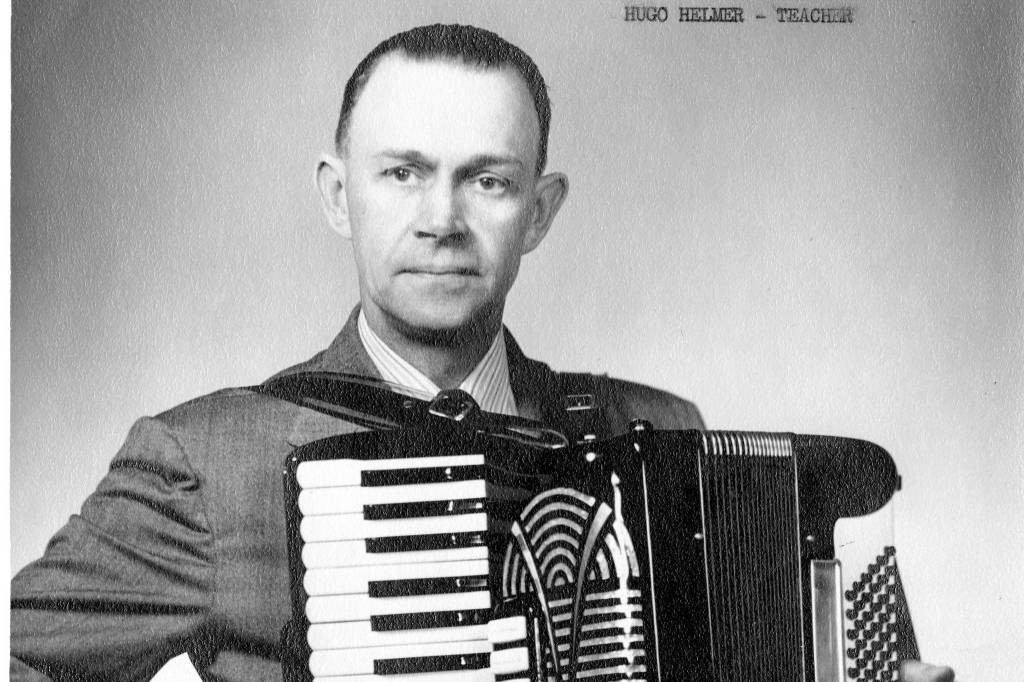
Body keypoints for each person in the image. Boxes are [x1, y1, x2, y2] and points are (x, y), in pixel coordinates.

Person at [11, 24, 953, 682]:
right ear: (339, 195)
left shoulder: (657, 430)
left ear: (538, 212)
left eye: (487, 181)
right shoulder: (207, 461)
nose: (442, 219)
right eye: (402, 172)